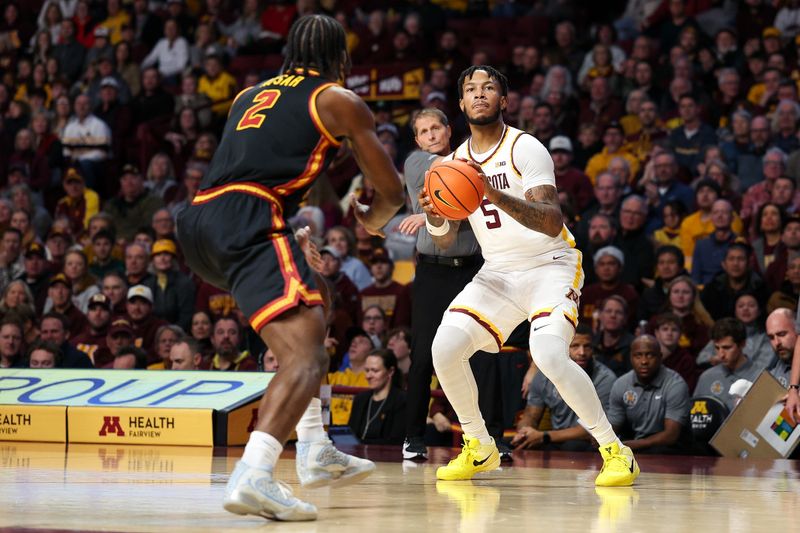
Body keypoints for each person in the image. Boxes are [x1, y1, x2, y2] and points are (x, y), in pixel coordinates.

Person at [176, 15, 404, 521]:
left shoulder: (248, 95)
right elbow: (392, 193)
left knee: (318, 294)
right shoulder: (337, 99)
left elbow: (262, 155)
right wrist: (372, 220)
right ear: (340, 57)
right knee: (306, 356)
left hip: (198, 221)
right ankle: (255, 473)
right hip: (250, 216)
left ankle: (314, 444)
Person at [420, 65, 638, 486]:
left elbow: (552, 221)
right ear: (461, 103)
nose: (479, 94)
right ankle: (479, 446)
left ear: (503, 100)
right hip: (498, 272)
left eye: (488, 88)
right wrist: (434, 215)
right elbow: (444, 241)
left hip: (550, 264)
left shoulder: (525, 147)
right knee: (443, 347)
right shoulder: (451, 164)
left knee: (549, 353)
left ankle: (615, 451)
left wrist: (490, 192)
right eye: (471, 89)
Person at [398, 106, 506, 461]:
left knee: (485, 351)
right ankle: (413, 438)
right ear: (417, 140)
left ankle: (493, 439)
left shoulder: (468, 159)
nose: (430, 135)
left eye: (436, 128)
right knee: (423, 355)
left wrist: (429, 214)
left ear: (448, 130)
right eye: (423, 131)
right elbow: (451, 178)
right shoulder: (417, 161)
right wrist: (428, 213)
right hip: (433, 271)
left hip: (473, 269)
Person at [513, 324, 616, 451]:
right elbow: (531, 415)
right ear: (563, 346)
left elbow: (593, 428)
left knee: (573, 446)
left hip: (587, 442)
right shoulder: (545, 375)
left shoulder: (604, 378)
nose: (582, 352)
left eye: (587, 346)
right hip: (553, 439)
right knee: (518, 444)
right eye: (575, 346)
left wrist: (544, 436)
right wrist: (524, 433)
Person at [607, 335, 691, 454]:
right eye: (638, 355)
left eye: (650, 355)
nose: (644, 361)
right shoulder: (621, 384)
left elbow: (671, 435)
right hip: (633, 443)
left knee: (661, 451)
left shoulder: (675, 384)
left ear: (660, 357)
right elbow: (615, 423)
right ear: (631, 357)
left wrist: (633, 445)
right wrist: (602, 439)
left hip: (667, 448)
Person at [694, 318, 762, 412]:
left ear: (742, 344)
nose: (721, 355)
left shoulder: (760, 377)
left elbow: (773, 416)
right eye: (717, 348)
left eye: (727, 348)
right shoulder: (706, 378)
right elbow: (696, 415)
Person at [348, 349, 406, 444]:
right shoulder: (360, 399)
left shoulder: (401, 400)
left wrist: (361, 444)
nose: (368, 376)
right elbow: (351, 434)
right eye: (367, 370)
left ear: (390, 371)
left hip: (386, 454)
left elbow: (395, 442)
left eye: (375, 371)